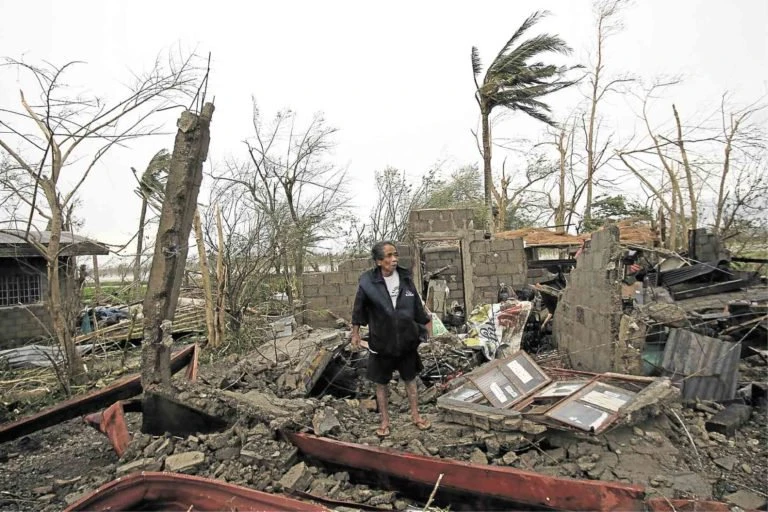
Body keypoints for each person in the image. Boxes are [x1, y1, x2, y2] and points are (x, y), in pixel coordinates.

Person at [351, 241, 432, 438]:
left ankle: (416, 416)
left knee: (411, 381)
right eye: (388, 256)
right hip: (382, 342)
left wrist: (426, 326)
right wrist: (355, 333)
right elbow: (358, 308)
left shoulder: (405, 278)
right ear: (379, 261)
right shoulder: (368, 283)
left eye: (395, 255)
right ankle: (385, 422)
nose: (394, 259)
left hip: (406, 341)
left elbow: (417, 307)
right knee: (381, 384)